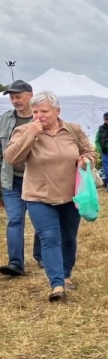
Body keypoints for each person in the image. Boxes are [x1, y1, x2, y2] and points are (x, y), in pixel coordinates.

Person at [3, 91, 94, 301]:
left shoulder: (72, 130)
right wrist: (30, 134)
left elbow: (90, 152)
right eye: (35, 111)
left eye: (44, 111)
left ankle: (66, 274)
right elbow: (11, 158)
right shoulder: (23, 130)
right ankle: (57, 284)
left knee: (68, 237)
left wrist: (86, 161)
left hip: (71, 196)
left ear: (57, 111)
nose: (39, 115)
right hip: (38, 196)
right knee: (49, 238)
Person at [0, 80, 40, 277]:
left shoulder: (42, 118)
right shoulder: (4, 119)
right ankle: (16, 263)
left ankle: (41, 256)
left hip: (37, 179)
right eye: (12, 97)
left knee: (40, 218)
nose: (15, 101)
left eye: (18, 96)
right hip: (11, 180)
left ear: (30, 95)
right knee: (15, 220)